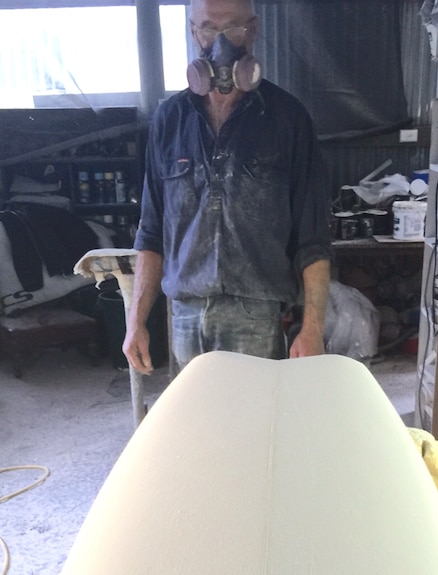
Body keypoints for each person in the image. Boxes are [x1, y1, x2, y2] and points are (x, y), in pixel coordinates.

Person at [123, 0, 333, 375]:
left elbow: (313, 238)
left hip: (257, 313)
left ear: (252, 30)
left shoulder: (288, 119)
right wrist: (135, 322)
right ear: (192, 32)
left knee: (253, 427)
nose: (219, 42)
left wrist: (312, 326)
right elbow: (152, 232)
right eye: (207, 28)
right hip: (185, 313)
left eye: (233, 27)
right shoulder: (169, 121)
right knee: (196, 428)